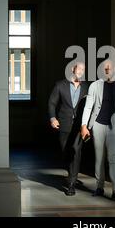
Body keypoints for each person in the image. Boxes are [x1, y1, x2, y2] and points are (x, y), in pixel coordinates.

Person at [80, 59, 115, 200]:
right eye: (105, 67)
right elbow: (88, 107)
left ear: (114, 68)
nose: (107, 69)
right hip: (97, 125)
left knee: (113, 158)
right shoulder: (94, 86)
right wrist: (84, 125)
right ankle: (99, 187)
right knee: (99, 158)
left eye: (109, 67)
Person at [48, 62, 88, 196]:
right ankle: (71, 174)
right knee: (66, 153)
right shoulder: (60, 85)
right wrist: (53, 118)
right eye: (79, 69)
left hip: (79, 126)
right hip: (64, 124)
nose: (81, 71)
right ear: (73, 69)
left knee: (76, 151)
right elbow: (52, 103)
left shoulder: (86, 87)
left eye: (83, 69)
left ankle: (71, 183)